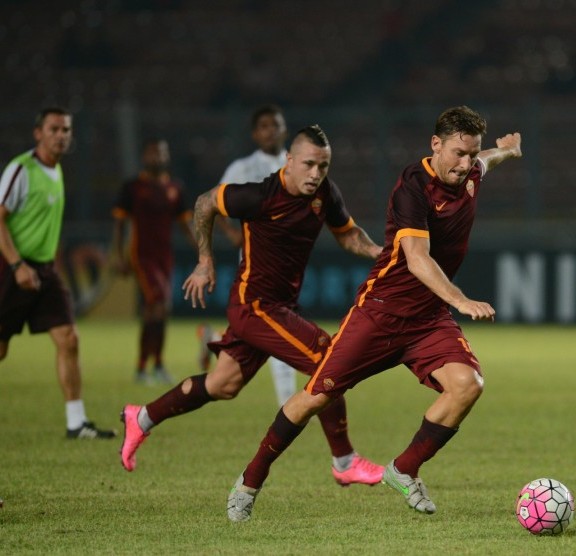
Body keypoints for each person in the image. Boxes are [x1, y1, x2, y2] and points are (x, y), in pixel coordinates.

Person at [224, 106, 522, 522]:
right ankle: (250, 480)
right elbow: (416, 259)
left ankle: (404, 469)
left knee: (467, 385)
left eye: (470, 154)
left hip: (427, 319)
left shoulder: (469, 171)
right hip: (380, 314)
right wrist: (460, 300)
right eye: (457, 153)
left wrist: (505, 150)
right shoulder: (412, 187)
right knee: (315, 397)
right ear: (435, 145)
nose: (465, 163)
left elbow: (485, 162)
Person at [120, 125, 385, 489]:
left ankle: (142, 417)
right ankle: (345, 462)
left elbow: (347, 234)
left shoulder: (325, 193)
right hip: (254, 306)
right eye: (308, 165)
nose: (316, 174)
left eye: (323, 167)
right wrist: (204, 260)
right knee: (330, 358)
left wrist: (379, 252)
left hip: (278, 307)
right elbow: (204, 203)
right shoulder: (261, 196)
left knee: (223, 383)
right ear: (289, 162)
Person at [0, 106, 116, 439]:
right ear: (38, 133)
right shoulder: (21, 170)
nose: (61, 136)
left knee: (68, 339)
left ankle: (76, 423)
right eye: (54, 129)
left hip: (45, 270)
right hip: (11, 267)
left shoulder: (57, 169)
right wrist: (16, 265)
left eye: (66, 130)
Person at [199, 104, 299, 407]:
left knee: (255, 334)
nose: (271, 131)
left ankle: (213, 337)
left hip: (290, 262)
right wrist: (232, 235)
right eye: (265, 126)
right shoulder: (242, 168)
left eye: (276, 125)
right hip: (256, 264)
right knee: (281, 329)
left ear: (285, 129)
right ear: (255, 134)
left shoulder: (296, 165)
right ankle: (288, 407)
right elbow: (213, 203)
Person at [113, 138, 197, 385]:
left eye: (161, 153)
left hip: (165, 257)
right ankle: (147, 367)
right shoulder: (132, 187)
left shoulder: (175, 188)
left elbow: (185, 225)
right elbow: (120, 224)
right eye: (153, 153)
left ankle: (151, 366)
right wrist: (119, 256)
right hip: (142, 255)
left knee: (158, 311)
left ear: (167, 156)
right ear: (144, 156)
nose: (157, 157)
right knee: (158, 305)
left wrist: (202, 251)